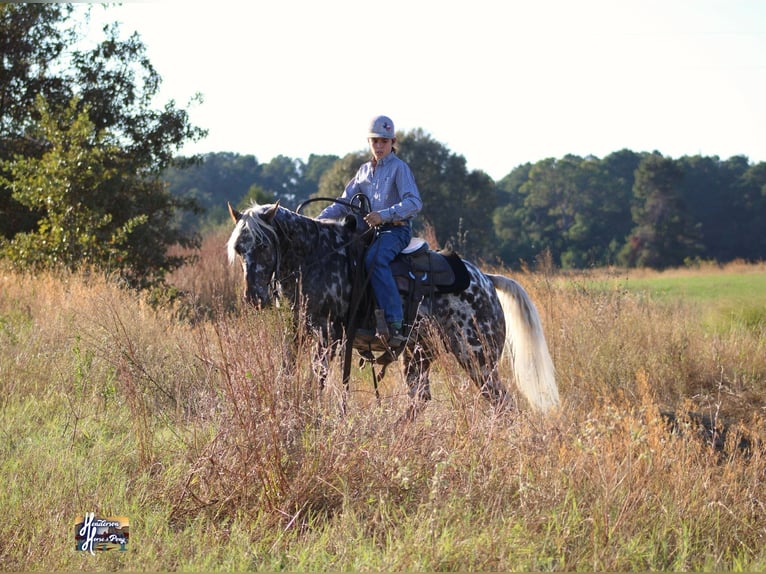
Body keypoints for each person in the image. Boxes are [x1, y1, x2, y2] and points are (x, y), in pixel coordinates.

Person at [317, 115, 423, 346]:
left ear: (392, 142)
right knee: (346, 260)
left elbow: (414, 203)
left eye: (384, 141)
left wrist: (382, 215)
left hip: (396, 231)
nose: (379, 146)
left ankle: (395, 322)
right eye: (374, 141)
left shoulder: (399, 169)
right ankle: (359, 319)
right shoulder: (363, 171)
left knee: (375, 259)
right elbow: (342, 203)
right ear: (369, 142)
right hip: (370, 233)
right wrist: (316, 222)